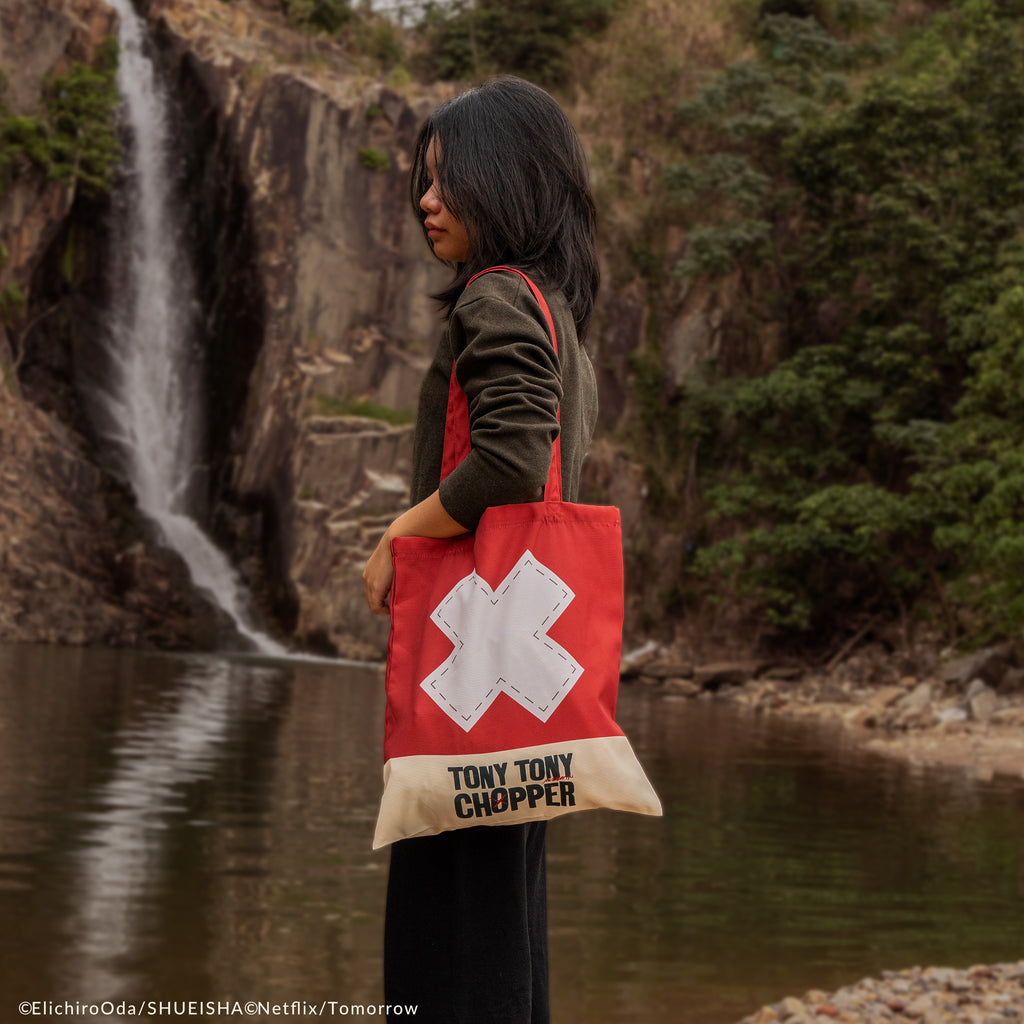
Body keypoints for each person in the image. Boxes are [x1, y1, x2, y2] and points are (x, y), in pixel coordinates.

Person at [362, 74, 600, 1024]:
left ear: (509, 181)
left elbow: (509, 456)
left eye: (446, 177)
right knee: (502, 918)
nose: (425, 199)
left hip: (473, 669)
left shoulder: (494, 297)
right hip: (520, 676)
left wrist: (398, 531)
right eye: (423, 178)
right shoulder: (551, 308)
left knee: (446, 929)